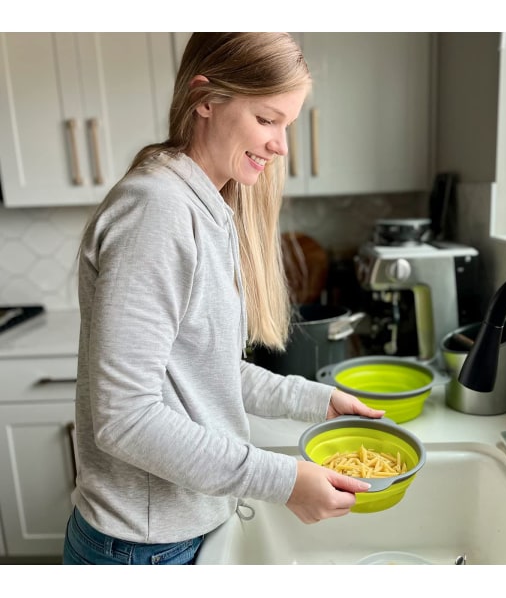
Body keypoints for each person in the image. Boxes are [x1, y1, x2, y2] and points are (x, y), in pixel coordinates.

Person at [62, 32, 384, 566]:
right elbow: (125, 418)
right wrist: (282, 480)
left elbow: (203, 372)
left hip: (176, 536)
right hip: (139, 550)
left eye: (288, 124)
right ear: (206, 100)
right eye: (267, 120)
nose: (281, 145)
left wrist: (315, 401)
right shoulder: (158, 211)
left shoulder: (206, 205)